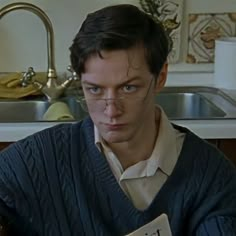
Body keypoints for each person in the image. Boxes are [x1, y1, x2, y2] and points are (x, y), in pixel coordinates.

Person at [0, 4, 236, 236]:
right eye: (94, 90)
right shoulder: (39, 159)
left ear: (161, 77)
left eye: (129, 88)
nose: (111, 110)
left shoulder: (212, 177)